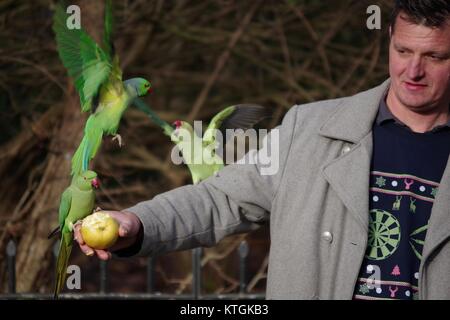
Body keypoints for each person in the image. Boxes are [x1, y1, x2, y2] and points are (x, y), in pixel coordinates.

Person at [74, 0, 450, 299]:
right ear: (388, 38)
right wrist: (139, 223)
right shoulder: (310, 129)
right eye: (402, 50)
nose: (412, 71)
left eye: (434, 57)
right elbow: (218, 199)